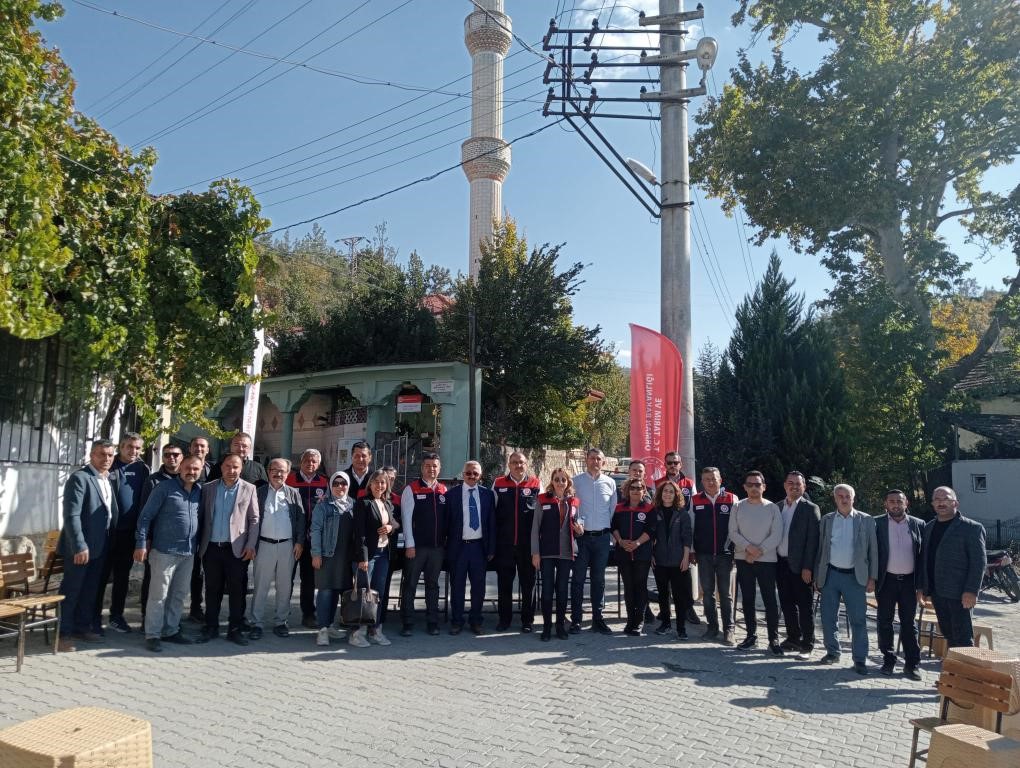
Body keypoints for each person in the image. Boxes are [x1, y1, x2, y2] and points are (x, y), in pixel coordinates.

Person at [133, 455, 203, 652]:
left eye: (196, 469)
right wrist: (141, 543)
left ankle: (171, 630)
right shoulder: (164, 488)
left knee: (178, 595)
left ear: (200, 471)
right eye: (188, 467)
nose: (191, 472)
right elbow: (145, 517)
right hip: (164, 551)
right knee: (159, 595)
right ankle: (153, 634)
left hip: (188, 552)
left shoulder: (199, 491)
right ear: (180, 468)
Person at [58, 439, 120, 651]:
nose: (106, 459)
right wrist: (79, 545)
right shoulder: (80, 478)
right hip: (81, 548)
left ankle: (82, 627)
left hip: (100, 546)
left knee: (90, 589)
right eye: (102, 454)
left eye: (110, 455)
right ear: (92, 455)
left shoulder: (106, 478)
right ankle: (63, 634)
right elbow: (72, 515)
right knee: (72, 590)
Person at [197, 454, 259, 646]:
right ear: (221, 467)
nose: (231, 470)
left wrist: (251, 545)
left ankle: (235, 629)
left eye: (236, 467)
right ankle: (211, 626)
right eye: (228, 466)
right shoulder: (208, 488)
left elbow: (254, 519)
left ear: (241, 468)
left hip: (237, 550)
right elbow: (201, 516)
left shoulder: (249, 488)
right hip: (211, 548)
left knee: (237, 590)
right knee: (212, 589)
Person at [815, 483, 878, 674]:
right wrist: (818, 575)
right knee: (828, 617)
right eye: (840, 496)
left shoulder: (866, 520)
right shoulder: (827, 519)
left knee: (858, 620)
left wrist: (872, 577)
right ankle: (832, 652)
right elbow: (821, 549)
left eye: (847, 496)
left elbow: (873, 551)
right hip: (830, 575)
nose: (844, 499)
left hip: (855, 577)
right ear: (835, 498)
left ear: (853, 498)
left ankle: (859, 659)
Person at [917, 486, 986, 649]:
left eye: (945, 499)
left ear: (955, 503)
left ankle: (965, 665)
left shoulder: (972, 528)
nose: (941, 503)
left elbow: (979, 562)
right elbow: (924, 559)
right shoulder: (929, 527)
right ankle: (953, 664)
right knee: (948, 633)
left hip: (960, 593)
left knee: (963, 637)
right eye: (937, 499)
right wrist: (922, 587)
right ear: (932, 504)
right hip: (937, 592)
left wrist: (971, 591)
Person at [95, 432, 149, 634]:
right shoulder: (109, 464)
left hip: (128, 534)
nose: (134, 451)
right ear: (121, 447)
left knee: (122, 577)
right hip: (107, 532)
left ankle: (116, 616)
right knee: (101, 576)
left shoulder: (143, 468)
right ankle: (94, 617)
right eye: (129, 447)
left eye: (137, 448)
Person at [248, 458, 305, 639]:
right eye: (274, 470)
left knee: (285, 586)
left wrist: (299, 542)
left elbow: (301, 519)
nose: (278, 474)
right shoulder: (259, 492)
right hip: (264, 545)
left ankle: (281, 622)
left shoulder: (294, 493)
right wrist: (251, 544)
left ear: (287, 474)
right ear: (268, 471)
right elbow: (251, 519)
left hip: (287, 546)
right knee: (261, 586)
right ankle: (256, 623)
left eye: (282, 471)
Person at [729, 471, 784, 654]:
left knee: (770, 600)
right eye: (750, 484)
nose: (754, 487)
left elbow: (777, 534)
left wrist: (758, 551)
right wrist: (748, 548)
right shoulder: (737, 506)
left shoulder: (772, 508)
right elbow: (733, 532)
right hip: (743, 559)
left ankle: (773, 639)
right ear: (745, 487)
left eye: (757, 484)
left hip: (766, 560)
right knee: (747, 599)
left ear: (764, 487)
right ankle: (751, 636)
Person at [876, 489, 923, 679]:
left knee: (909, 623)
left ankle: (912, 664)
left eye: (899, 501)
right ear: (886, 504)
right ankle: (888, 660)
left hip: (910, 582)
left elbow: (923, 557)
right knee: (884, 621)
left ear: (906, 503)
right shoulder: (877, 523)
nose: (896, 505)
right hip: (886, 581)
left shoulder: (918, 524)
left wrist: (922, 585)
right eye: (892, 501)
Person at [399, 453, 448, 637]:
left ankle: (432, 622)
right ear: (422, 468)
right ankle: (408, 622)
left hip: (437, 548)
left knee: (432, 585)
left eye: (435, 466)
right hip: (416, 548)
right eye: (428, 466)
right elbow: (406, 519)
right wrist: (409, 545)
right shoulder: (411, 489)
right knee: (410, 584)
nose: (431, 469)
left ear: (439, 468)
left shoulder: (443, 490)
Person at [493, 451, 541, 632]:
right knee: (504, 584)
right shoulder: (498, 483)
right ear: (509, 464)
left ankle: (527, 621)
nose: (518, 465)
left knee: (528, 584)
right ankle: (504, 620)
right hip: (504, 544)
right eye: (514, 462)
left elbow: (541, 516)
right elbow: (492, 513)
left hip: (527, 545)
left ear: (526, 464)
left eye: (521, 462)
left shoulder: (536, 484)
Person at [530, 468, 581, 641]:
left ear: (568, 482)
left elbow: (578, 525)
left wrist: (580, 530)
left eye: (563, 480)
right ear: (552, 481)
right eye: (557, 479)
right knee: (547, 590)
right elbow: (535, 528)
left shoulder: (574, 501)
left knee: (562, 590)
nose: (560, 482)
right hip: (546, 552)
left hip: (566, 552)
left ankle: (560, 626)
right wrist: (535, 553)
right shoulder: (542, 499)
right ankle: (546, 627)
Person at [570, 448, 617, 635]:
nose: (595, 461)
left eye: (598, 459)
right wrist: (576, 526)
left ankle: (598, 619)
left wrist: (605, 529)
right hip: (582, 538)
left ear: (603, 462)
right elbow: (572, 508)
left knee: (599, 580)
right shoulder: (576, 481)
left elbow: (612, 509)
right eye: (592, 458)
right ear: (586, 460)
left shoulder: (610, 482)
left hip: (602, 539)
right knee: (578, 580)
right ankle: (576, 620)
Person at [446, 460, 496, 635]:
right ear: (463, 474)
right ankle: (457, 621)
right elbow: (446, 523)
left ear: (480, 476)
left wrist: (491, 549)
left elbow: (491, 523)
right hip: (458, 548)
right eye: (468, 473)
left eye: (475, 473)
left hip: (479, 548)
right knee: (457, 586)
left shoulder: (488, 495)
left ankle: (476, 621)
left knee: (478, 588)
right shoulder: (451, 495)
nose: (472, 476)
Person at [351, 470, 399, 647]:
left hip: (383, 554)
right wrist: (363, 558)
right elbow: (360, 533)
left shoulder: (387, 503)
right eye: (377, 482)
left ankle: (375, 629)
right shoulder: (363, 503)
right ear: (370, 484)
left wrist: (390, 527)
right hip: (368, 556)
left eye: (383, 482)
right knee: (364, 594)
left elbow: (395, 523)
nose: (380, 485)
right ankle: (358, 633)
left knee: (379, 594)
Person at [775, 470, 821, 654]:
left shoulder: (810, 508)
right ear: (785, 485)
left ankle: (808, 643)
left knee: (805, 606)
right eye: (791, 483)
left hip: (802, 567)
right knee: (786, 604)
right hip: (780, 563)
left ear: (804, 487)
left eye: (798, 484)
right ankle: (793, 638)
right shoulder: (778, 507)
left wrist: (808, 567)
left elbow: (813, 541)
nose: (794, 486)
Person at [137, 443, 185, 620]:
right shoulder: (153, 480)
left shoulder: (188, 479)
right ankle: (147, 618)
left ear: (182, 457)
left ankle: (169, 621)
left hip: (181, 544)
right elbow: (144, 513)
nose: (171, 458)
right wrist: (145, 540)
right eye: (167, 455)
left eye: (175, 454)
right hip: (157, 542)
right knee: (153, 582)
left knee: (175, 585)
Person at [691, 467, 737, 645]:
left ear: (720, 480)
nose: (711, 482)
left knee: (725, 594)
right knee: (708, 593)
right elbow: (691, 527)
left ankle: (729, 629)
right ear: (702, 481)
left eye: (713, 478)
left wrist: (736, 551)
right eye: (707, 479)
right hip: (704, 555)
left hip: (725, 555)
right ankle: (712, 628)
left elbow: (736, 527)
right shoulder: (695, 500)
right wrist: (692, 550)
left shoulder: (731, 499)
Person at [310, 471, 355, 647]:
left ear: (348, 485)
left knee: (337, 592)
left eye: (343, 483)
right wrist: (316, 553)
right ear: (330, 486)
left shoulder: (353, 505)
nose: (339, 487)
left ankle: (329, 626)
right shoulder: (323, 505)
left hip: (347, 558)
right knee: (325, 592)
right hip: (327, 556)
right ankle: (322, 630)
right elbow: (315, 530)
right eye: (335, 483)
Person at [655, 452, 701, 627]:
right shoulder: (658, 483)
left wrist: (691, 545)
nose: (672, 465)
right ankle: (664, 611)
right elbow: (655, 505)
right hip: (664, 535)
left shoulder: (689, 483)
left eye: (676, 462)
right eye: (669, 463)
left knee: (684, 578)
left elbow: (693, 509)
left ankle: (688, 608)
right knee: (663, 580)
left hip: (684, 533)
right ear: (665, 465)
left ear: (681, 464)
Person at [286, 449, 330, 629]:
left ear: (318, 464)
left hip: (313, 540)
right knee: (286, 578)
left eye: (314, 461)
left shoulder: (325, 482)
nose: (310, 464)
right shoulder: (290, 480)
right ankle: (282, 613)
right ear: (301, 461)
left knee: (309, 579)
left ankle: (308, 614)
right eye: (307, 460)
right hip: (291, 537)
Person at [613, 479, 658, 636]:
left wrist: (637, 543)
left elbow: (651, 529)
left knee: (640, 587)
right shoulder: (619, 508)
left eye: (639, 488)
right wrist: (620, 541)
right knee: (629, 587)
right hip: (623, 553)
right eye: (632, 488)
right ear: (628, 490)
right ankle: (630, 620)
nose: (635, 490)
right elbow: (614, 527)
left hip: (642, 554)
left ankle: (639, 622)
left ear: (644, 491)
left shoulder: (649, 508)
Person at [651, 480, 693, 640]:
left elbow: (687, 537)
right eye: (665, 491)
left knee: (679, 595)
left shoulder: (682, 513)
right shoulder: (655, 512)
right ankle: (665, 624)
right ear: (660, 494)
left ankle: (681, 628)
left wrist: (686, 558)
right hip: (660, 560)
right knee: (663, 594)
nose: (667, 494)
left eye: (671, 491)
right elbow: (650, 536)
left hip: (678, 560)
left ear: (676, 494)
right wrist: (651, 555)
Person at [187, 436, 212, 622]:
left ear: (208, 450)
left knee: (205, 571)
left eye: (203, 446)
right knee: (192, 570)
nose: (199, 448)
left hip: (209, 527)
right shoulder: (184, 467)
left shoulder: (214, 469)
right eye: (195, 445)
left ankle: (201, 608)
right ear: (190, 448)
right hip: (189, 527)